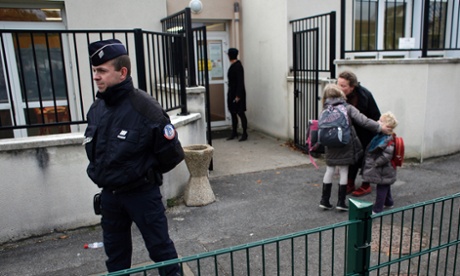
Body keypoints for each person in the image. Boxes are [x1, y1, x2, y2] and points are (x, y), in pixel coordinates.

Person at [83, 39, 184, 275]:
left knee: (162, 252)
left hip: (141, 194)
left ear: (122, 72)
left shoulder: (146, 108)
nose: (96, 76)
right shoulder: (97, 109)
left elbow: (171, 155)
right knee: (116, 258)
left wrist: (142, 172)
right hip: (110, 197)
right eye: (95, 71)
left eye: (102, 71)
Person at [319, 84, 389, 211]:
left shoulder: (325, 109)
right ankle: (341, 202)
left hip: (330, 145)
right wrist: (379, 127)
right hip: (345, 143)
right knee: (344, 171)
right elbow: (364, 121)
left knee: (329, 170)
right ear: (340, 94)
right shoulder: (347, 108)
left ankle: (325, 200)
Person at [337, 70, 382, 197]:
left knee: (366, 159)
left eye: (343, 85)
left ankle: (366, 185)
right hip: (351, 132)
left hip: (366, 132)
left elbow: (372, 117)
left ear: (352, 86)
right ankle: (350, 182)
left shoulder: (363, 95)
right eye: (338, 84)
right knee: (351, 157)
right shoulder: (339, 95)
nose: (339, 88)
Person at [362, 111, 399, 214]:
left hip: (384, 168)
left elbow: (387, 155)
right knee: (385, 184)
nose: (377, 121)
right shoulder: (381, 136)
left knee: (381, 187)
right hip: (385, 169)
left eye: (381, 121)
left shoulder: (388, 139)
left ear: (387, 126)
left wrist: (376, 163)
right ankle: (389, 202)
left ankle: (378, 208)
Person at [226, 48, 248, 141]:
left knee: (240, 113)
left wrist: (238, 95)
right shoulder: (233, 65)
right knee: (233, 113)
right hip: (232, 93)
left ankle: (244, 133)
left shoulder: (238, 66)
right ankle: (234, 132)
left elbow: (240, 81)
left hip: (238, 94)